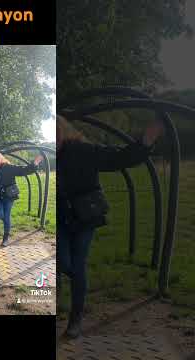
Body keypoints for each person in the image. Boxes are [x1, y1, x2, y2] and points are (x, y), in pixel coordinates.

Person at [56, 115, 163, 338]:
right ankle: (71, 285)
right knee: (63, 261)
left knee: (78, 263)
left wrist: (145, 142)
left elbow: (117, 158)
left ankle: (75, 318)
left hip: (84, 216)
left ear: (61, 132)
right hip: (61, 217)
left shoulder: (82, 151)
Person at [0, 151, 44, 246]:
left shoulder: (9, 167)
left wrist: (35, 163)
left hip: (9, 196)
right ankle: (3, 226)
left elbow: (23, 170)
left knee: (6, 216)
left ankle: (5, 238)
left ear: (1, 159)